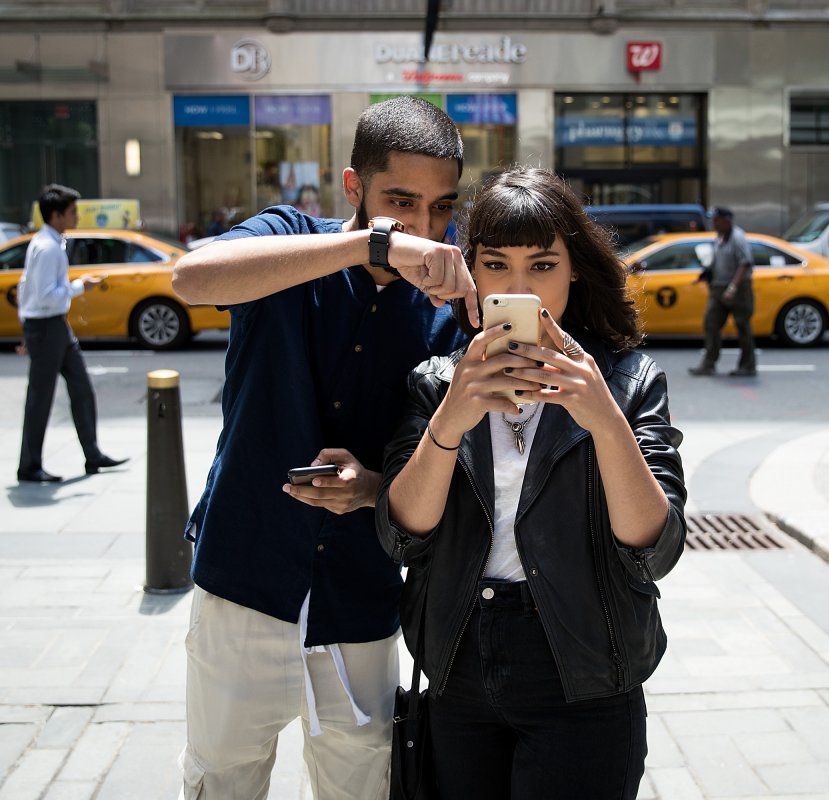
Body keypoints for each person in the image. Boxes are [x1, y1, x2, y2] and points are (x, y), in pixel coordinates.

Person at [170, 96, 477, 799]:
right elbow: (190, 279)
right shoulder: (289, 237)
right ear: (353, 188)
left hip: (362, 593)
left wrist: (372, 487)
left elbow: (454, 469)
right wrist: (373, 245)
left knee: (361, 787)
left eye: (440, 208)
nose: (423, 229)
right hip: (245, 577)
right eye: (401, 203)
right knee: (220, 781)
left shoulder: (449, 308)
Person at [376, 167, 686, 799]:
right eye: (496, 264)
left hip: (585, 668)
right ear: (473, 274)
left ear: (574, 268)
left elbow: (654, 548)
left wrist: (603, 419)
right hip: (459, 660)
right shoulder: (440, 382)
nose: (521, 288)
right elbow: (401, 537)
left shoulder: (625, 380)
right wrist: (451, 420)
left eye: (542, 265)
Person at [16, 184, 127, 483]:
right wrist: (80, 287)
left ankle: (92, 454)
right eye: (72, 212)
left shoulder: (51, 243)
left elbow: (29, 290)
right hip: (47, 325)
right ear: (55, 215)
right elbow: (44, 296)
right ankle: (29, 466)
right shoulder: (47, 247)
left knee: (81, 388)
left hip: (52, 326)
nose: (77, 216)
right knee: (41, 398)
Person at [688, 206, 756, 377]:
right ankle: (709, 363)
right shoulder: (719, 238)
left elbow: (745, 263)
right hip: (718, 288)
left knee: (742, 326)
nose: (714, 223)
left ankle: (748, 365)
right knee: (711, 323)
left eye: (717, 220)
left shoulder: (737, 238)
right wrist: (707, 274)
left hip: (738, 289)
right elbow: (717, 261)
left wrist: (732, 288)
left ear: (727, 221)